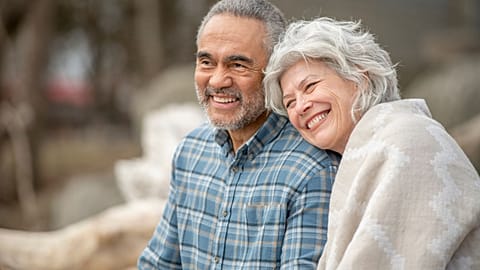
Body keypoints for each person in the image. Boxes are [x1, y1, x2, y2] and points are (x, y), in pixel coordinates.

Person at [264, 17, 480, 270]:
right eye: (290, 102)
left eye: (310, 86)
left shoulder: (406, 141)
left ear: (360, 77)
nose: (300, 107)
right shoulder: (372, 146)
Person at [137, 1, 341, 269]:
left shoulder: (313, 170)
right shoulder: (191, 150)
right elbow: (159, 263)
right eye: (207, 62)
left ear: (275, 72)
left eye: (238, 65)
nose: (217, 81)